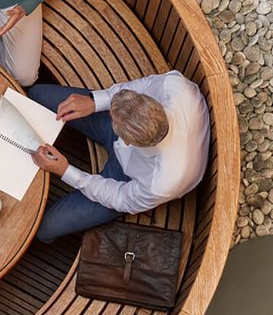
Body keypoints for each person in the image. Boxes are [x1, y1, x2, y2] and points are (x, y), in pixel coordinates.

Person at [26, 71, 211, 242]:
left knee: (43, 229)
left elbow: (120, 198)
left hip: (127, 178)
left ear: (127, 141)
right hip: (131, 125)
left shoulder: (160, 183)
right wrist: (95, 102)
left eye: (112, 120)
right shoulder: (174, 86)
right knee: (37, 94)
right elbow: (139, 88)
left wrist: (65, 170)